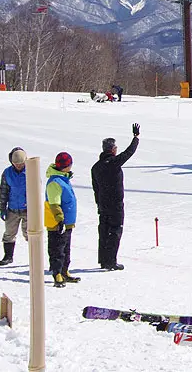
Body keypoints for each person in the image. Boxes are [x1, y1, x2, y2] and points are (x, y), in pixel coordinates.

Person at [91, 123, 140, 271]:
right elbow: (129, 152)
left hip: (103, 206)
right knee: (115, 232)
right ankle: (110, 261)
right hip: (116, 206)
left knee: (103, 232)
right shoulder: (114, 162)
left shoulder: (96, 167)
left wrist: (98, 204)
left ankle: (103, 260)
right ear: (112, 150)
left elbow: (95, 188)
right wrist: (136, 138)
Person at [44, 151, 79, 287]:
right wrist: (60, 220)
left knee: (66, 248)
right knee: (57, 248)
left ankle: (64, 271)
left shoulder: (63, 179)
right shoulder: (55, 182)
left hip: (67, 222)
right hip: (58, 222)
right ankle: (57, 273)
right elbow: (54, 203)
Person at [0, 147, 28, 266]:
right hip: (13, 209)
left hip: (28, 209)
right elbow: (3, 191)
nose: (19, 166)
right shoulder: (7, 173)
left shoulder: (31, 171)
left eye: (21, 164)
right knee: (9, 233)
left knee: (30, 234)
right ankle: (8, 256)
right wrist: (2, 208)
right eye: (16, 164)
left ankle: (35, 256)